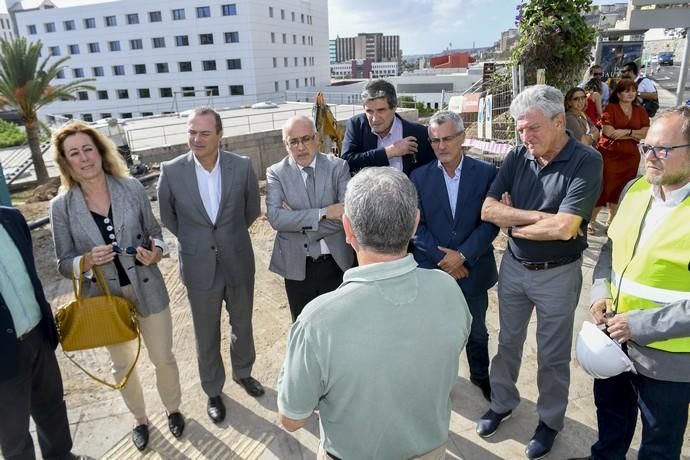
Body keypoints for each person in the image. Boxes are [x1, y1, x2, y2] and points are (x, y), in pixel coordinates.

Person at [277, 167, 471, 460]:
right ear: (415, 222)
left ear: (348, 229)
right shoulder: (448, 290)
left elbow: (292, 419)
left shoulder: (317, 321)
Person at [477, 85, 602, 459]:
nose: (525, 137)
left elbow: (565, 230)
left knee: (552, 355)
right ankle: (502, 403)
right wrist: (536, 221)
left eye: (533, 128)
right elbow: (487, 210)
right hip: (514, 266)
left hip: (558, 274)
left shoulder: (586, 161)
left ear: (560, 121)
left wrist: (512, 220)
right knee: (508, 343)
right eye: (520, 130)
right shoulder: (518, 157)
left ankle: (549, 421)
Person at [49, 121, 184, 451]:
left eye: (88, 149)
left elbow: (156, 233)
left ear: (100, 151)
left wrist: (156, 252)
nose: (84, 158)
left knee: (163, 357)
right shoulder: (61, 207)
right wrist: (85, 261)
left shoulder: (131, 188)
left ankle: (173, 409)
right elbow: (63, 263)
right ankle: (140, 418)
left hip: (148, 287)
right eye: (74, 153)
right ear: (65, 162)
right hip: (105, 299)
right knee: (122, 364)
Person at [569, 107, 690, 460]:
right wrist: (599, 291)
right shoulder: (635, 190)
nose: (649, 157)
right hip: (613, 343)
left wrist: (639, 325)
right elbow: (610, 247)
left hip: (669, 361)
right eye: (646, 147)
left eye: (663, 150)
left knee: (659, 445)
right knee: (611, 425)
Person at [157, 106, 264, 425]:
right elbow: (169, 218)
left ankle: (243, 372)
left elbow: (250, 211)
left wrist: (226, 237)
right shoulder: (172, 171)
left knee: (242, 323)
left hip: (237, 259)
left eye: (204, 133)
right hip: (198, 264)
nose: (197, 138)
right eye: (191, 132)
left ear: (220, 135)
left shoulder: (242, 166)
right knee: (206, 333)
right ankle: (213, 390)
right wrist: (198, 243)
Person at [410, 110, 498, 402]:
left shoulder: (486, 173)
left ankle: (480, 376)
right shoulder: (418, 177)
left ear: (462, 137)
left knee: (477, 331)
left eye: (448, 138)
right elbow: (416, 227)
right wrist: (444, 260)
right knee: (436, 334)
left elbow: (490, 222)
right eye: (435, 140)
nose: (441, 146)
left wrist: (463, 256)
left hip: (472, 269)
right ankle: (438, 381)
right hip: (434, 272)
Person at [0, 206, 87, 460]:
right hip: (3, 352)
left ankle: (61, 456)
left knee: (51, 407)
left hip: (38, 333)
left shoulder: (12, 218)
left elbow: (30, 275)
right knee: (13, 431)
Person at [266, 115, 354, 321]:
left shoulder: (338, 167)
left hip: (336, 263)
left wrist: (295, 221)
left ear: (316, 138)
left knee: (340, 325)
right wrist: (323, 213)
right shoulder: (276, 173)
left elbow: (346, 215)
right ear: (285, 145)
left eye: (305, 139)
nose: (300, 147)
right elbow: (276, 219)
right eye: (293, 142)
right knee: (304, 328)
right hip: (297, 267)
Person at [341, 79, 434, 176]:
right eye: (369, 111)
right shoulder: (356, 125)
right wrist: (389, 152)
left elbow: (431, 171)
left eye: (381, 110)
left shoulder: (418, 133)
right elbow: (346, 162)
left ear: (394, 107)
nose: (375, 119)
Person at [592, 79, 649, 230]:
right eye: (626, 90)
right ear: (618, 93)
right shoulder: (610, 108)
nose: (630, 93)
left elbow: (645, 133)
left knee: (621, 188)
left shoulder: (640, 110)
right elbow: (609, 132)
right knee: (604, 187)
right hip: (610, 154)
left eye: (633, 90)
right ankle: (591, 220)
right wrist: (634, 134)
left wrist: (625, 132)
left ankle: (612, 220)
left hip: (630, 157)